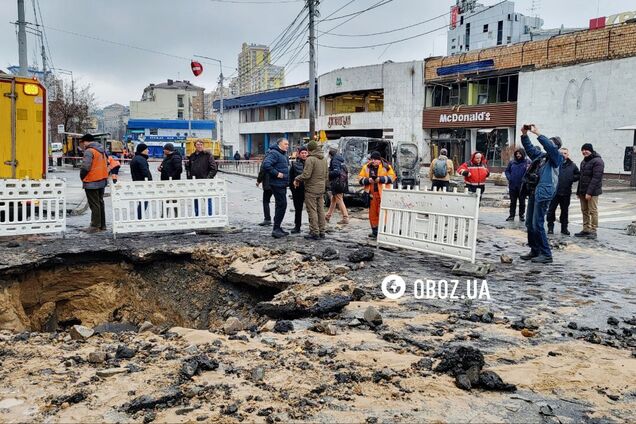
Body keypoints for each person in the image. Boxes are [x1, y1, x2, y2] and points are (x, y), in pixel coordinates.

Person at [519, 124, 563, 264]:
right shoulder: (542, 157)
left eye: (551, 143)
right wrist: (524, 135)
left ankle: (546, 254)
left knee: (537, 224)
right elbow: (530, 150)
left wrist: (538, 133)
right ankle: (535, 250)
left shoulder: (556, 158)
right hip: (534, 191)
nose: (547, 146)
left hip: (544, 193)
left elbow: (549, 147)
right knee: (529, 223)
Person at [294, 141, 328, 240]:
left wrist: (297, 178)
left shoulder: (310, 159)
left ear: (310, 150)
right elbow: (326, 175)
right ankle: (322, 232)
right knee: (321, 210)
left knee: (312, 211)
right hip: (321, 189)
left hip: (311, 189)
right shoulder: (324, 159)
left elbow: (306, 175)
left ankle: (314, 232)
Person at [358, 151, 396, 238]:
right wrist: (368, 180)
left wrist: (380, 179)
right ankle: (375, 232)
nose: (373, 161)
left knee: (383, 213)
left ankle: (384, 231)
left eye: (375, 159)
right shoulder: (366, 167)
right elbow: (360, 179)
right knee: (373, 214)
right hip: (371, 194)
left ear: (379, 160)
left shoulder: (386, 167)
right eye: (372, 159)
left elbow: (392, 178)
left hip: (383, 194)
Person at [79, 134, 109, 233]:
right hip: (102, 179)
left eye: (82, 143)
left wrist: (82, 177)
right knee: (100, 203)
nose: (82, 145)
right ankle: (102, 225)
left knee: (94, 204)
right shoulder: (101, 150)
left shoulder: (89, 151)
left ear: (85, 141)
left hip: (92, 180)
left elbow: (85, 167)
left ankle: (95, 226)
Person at [547, 148, 580, 235]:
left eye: (565, 153)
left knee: (564, 211)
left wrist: (571, 179)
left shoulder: (572, 165)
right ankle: (550, 227)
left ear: (568, 155)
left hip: (566, 192)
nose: (563, 155)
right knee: (551, 210)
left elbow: (578, 174)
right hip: (554, 192)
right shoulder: (554, 163)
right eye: (561, 153)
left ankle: (564, 228)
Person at [262, 138, 290, 238]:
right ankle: (276, 229)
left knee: (281, 205)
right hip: (277, 184)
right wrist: (277, 174)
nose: (287, 146)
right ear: (279, 144)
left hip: (282, 184)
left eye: (288, 144)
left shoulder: (283, 154)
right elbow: (266, 165)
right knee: (282, 205)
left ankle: (277, 227)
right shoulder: (274, 153)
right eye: (285, 144)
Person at [575, 143, 604, 239]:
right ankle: (586, 229)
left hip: (592, 192)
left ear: (591, 150)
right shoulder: (584, 161)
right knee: (584, 211)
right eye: (582, 150)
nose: (584, 152)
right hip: (583, 191)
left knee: (592, 211)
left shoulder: (598, 161)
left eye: (586, 150)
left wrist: (589, 192)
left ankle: (593, 230)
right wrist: (578, 192)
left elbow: (596, 178)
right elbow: (581, 178)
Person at [186, 140, 218, 216]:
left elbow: (214, 168)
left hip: (205, 181)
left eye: (201, 144)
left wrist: (208, 178)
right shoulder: (192, 156)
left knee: (207, 198)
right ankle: (197, 215)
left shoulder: (207, 155)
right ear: (195, 146)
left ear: (203, 145)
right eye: (197, 144)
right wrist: (189, 178)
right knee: (195, 199)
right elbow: (189, 169)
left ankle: (210, 215)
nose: (199, 146)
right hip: (194, 182)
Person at [505, 148, 531, 221]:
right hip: (513, 185)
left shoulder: (527, 162)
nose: (518, 155)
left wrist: (526, 180)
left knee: (522, 202)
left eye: (519, 154)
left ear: (523, 154)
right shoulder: (512, 162)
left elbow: (531, 172)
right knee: (513, 201)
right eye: (517, 154)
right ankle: (511, 215)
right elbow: (507, 171)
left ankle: (521, 215)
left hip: (522, 186)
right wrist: (510, 178)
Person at [326, 148, 350, 224]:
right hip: (342, 182)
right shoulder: (340, 160)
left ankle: (345, 217)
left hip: (337, 183)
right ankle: (327, 216)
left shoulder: (334, 160)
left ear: (330, 155)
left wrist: (328, 173)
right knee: (333, 199)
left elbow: (336, 172)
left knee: (339, 199)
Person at [288, 146, 308, 234]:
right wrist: (293, 190)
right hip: (298, 191)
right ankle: (297, 226)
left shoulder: (311, 163)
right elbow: (290, 179)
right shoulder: (294, 164)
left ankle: (313, 227)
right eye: (302, 153)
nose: (304, 155)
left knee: (311, 210)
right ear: (299, 154)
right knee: (298, 209)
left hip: (308, 190)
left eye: (305, 153)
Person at [130, 143, 152, 219]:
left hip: (137, 182)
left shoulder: (136, 158)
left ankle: (140, 217)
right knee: (144, 202)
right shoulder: (141, 159)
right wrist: (150, 181)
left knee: (142, 201)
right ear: (142, 150)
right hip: (142, 183)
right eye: (146, 149)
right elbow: (145, 172)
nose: (148, 151)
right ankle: (140, 218)